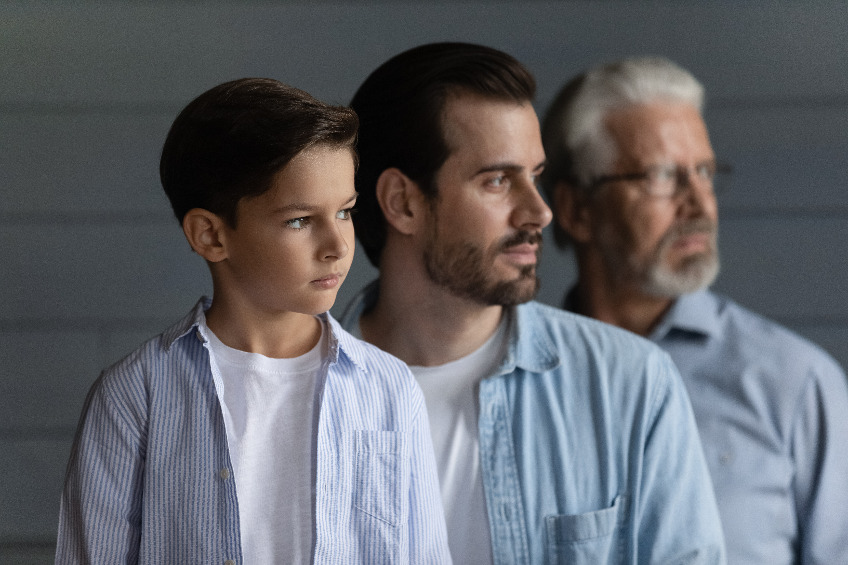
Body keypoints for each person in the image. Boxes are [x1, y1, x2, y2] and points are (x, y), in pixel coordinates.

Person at [342, 42, 725, 564]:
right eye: (498, 180)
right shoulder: (297, 394)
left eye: (536, 176)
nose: (539, 212)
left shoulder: (630, 386)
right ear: (402, 202)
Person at [55, 78, 450, 564]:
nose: (337, 245)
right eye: (300, 220)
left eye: (345, 211)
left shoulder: (389, 387)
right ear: (210, 236)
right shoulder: (136, 397)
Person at [541, 56, 848, 564]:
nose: (700, 205)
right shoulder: (522, 382)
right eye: (662, 176)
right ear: (576, 210)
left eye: (704, 172)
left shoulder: (797, 383)